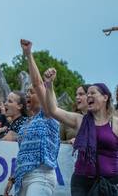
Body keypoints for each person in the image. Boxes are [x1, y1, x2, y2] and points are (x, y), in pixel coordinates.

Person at [44, 68, 118, 196]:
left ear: (105, 97)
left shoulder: (115, 122)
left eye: (93, 93)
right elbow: (53, 110)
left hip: (110, 183)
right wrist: (49, 85)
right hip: (82, 182)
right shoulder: (80, 120)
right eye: (87, 93)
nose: (88, 96)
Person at [4, 40, 60, 196]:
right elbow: (24, 154)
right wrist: (13, 177)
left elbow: (37, 83)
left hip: (41, 177)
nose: (28, 94)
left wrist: (28, 55)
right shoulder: (25, 124)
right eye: (27, 92)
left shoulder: (48, 114)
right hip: (23, 178)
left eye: (32, 92)